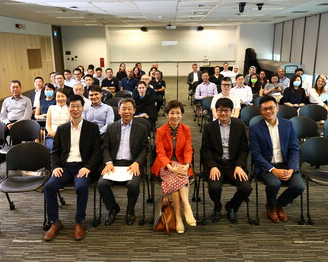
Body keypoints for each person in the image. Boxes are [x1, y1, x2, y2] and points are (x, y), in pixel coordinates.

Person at [43, 95, 102, 242]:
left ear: (83, 108)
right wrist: (55, 167)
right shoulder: (62, 129)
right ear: (68, 108)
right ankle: (55, 222)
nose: (75, 109)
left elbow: (97, 152)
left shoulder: (92, 128)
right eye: (72, 106)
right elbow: (55, 152)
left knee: (81, 187)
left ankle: (79, 221)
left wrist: (88, 167)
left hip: (83, 167)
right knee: (49, 186)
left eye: (78, 106)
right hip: (65, 167)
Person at [250, 96, 305, 223]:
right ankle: (271, 206)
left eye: (271, 108)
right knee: (274, 183)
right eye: (264, 109)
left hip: (286, 164)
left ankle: (279, 204)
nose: (268, 111)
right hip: (266, 166)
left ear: (277, 108)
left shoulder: (288, 124)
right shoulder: (255, 128)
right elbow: (256, 154)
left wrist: (291, 169)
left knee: (299, 186)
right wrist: (273, 170)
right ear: (260, 111)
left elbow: (294, 149)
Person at [98, 98, 149, 226]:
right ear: (119, 111)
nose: (127, 112)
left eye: (129, 109)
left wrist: (137, 162)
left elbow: (145, 148)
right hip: (114, 164)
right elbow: (105, 148)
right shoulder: (111, 127)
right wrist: (108, 162)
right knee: (102, 184)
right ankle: (113, 208)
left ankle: (130, 211)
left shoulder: (141, 128)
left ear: (134, 111)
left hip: (132, 164)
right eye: (124, 109)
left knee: (133, 185)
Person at [201, 98, 252, 224]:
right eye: (220, 110)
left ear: (232, 111)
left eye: (226, 110)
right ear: (216, 111)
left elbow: (244, 149)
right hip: (216, 164)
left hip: (234, 164)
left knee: (246, 188)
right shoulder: (209, 127)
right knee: (214, 187)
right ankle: (217, 206)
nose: (223, 113)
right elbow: (205, 150)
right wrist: (212, 166)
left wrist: (240, 165)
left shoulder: (239, 125)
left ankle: (232, 206)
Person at [151, 100, 196, 234]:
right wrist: (170, 168)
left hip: (182, 164)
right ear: (166, 114)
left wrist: (187, 164)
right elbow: (160, 152)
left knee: (178, 181)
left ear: (182, 114)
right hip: (165, 165)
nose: (175, 116)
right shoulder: (160, 131)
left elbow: (188, 150)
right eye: (172, 113)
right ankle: (186, 207)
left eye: (178, 113)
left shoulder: (186, 129)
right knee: (180, 179)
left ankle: (178, 216)